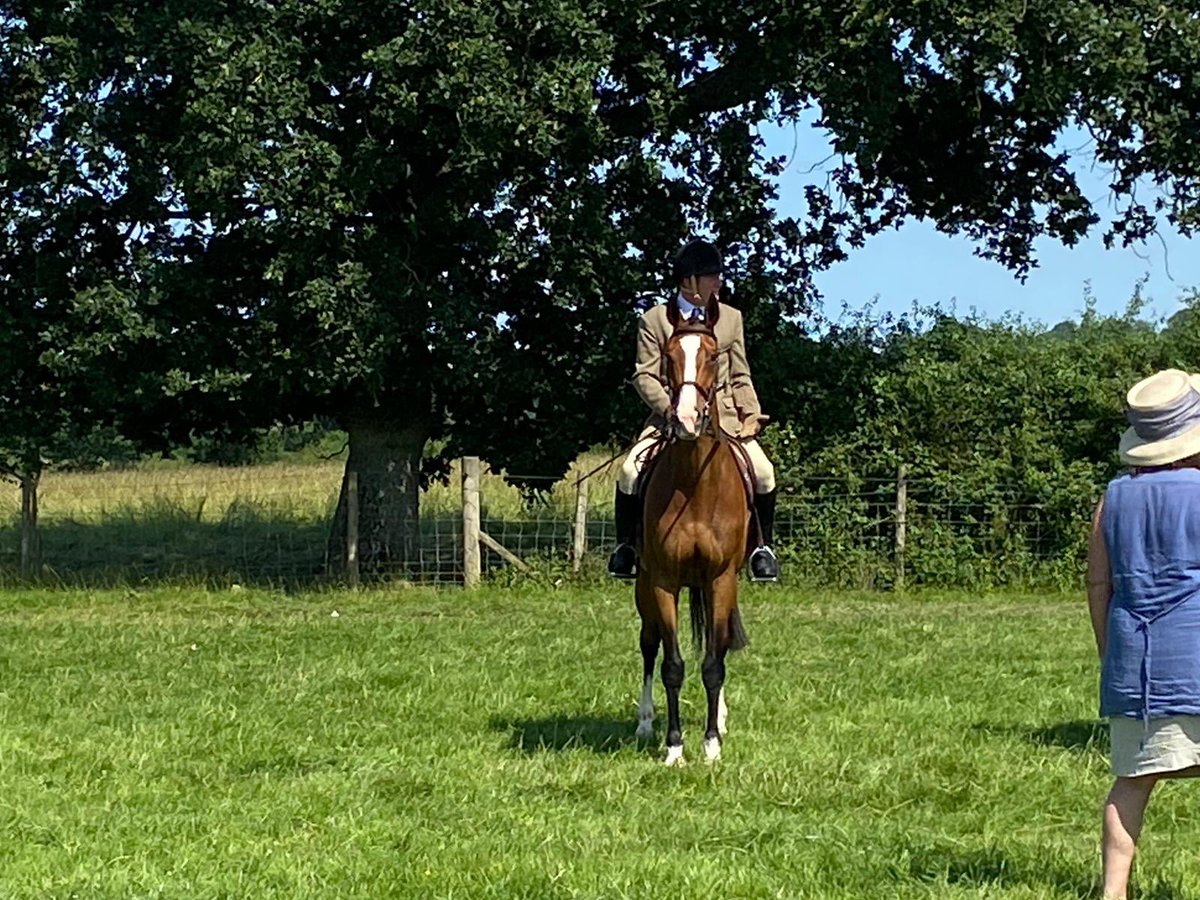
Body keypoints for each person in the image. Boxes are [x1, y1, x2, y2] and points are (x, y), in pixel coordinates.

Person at [1088, 368, 1200, 900]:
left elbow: (1098, 585)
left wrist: (1111, 654)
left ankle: (1113, 893)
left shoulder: (1112, 498)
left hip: (1136, 666)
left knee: (1130, 783)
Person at [607, 238, 779, 582]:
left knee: (764, 473)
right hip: (668, 419)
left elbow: (741, 373)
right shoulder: (654, 320)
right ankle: (625, 546)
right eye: (711, 276)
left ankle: (763, 548)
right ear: (689, 281)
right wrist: (670, 409)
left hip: (724, 421)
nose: (719, 282)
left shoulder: (731, 319)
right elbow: (644, 375)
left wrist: (751, 414)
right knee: (629, 471)